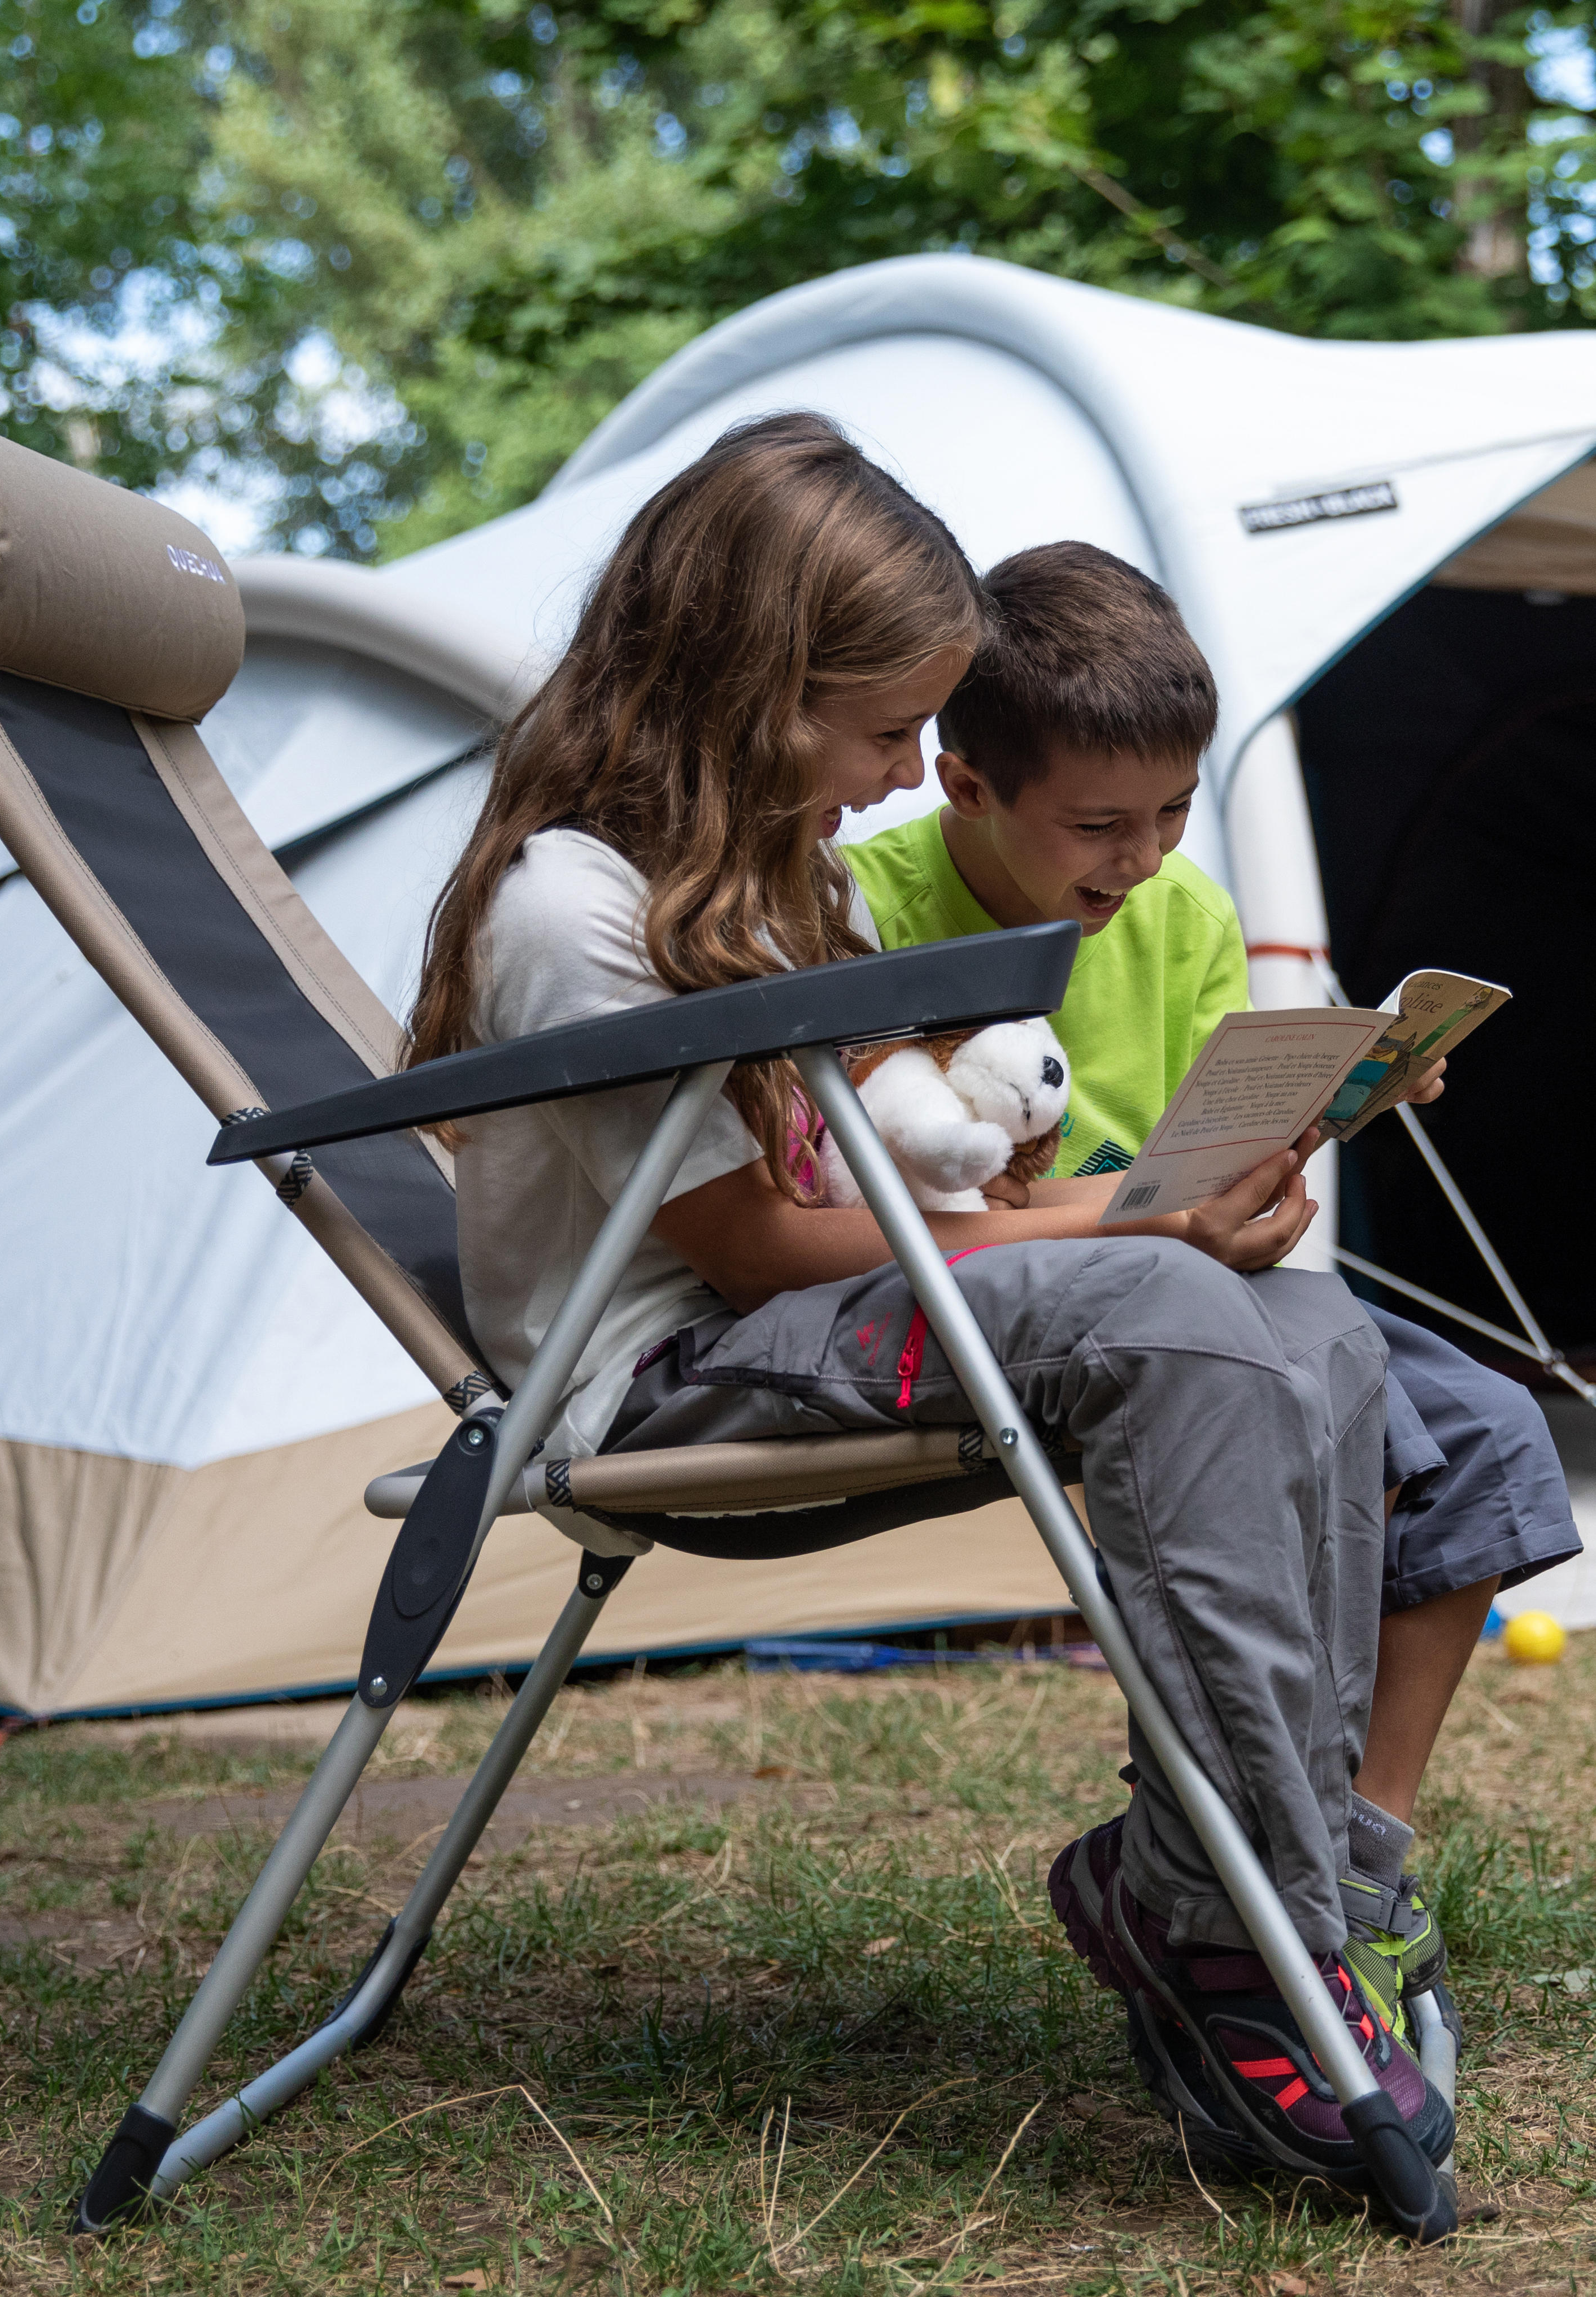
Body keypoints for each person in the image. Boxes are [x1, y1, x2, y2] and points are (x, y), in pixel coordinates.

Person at [410, 412, 1450, 2187]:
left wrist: (1172, 1198)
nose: (904, 775)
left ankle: (1243, 1888)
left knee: (1312, 1318)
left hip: (813, 1317)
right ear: (749, 684)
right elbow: (761, 1252)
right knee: (1172, 1314)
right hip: (673, 1368)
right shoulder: (573, 907)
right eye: (884, 727)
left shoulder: (770, 880)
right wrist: (1128, 1247)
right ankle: (1247, 1935)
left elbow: (903, 1188)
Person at [841, 540, 1581, 2046]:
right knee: (1281, 1405)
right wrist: (1169, 1222)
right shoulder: (863, 907)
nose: (1139, 854)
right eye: (1097, 823)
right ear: (962, 783)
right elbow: (887, 1187)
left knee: (1488, 1431)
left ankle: (1351, 1856)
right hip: (1045, 1301)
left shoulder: (1175, 909)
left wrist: (1328, 1107)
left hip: (1183, 1265)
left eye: (1173, 810)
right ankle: (1233, 1881)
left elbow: (1206, 1133)